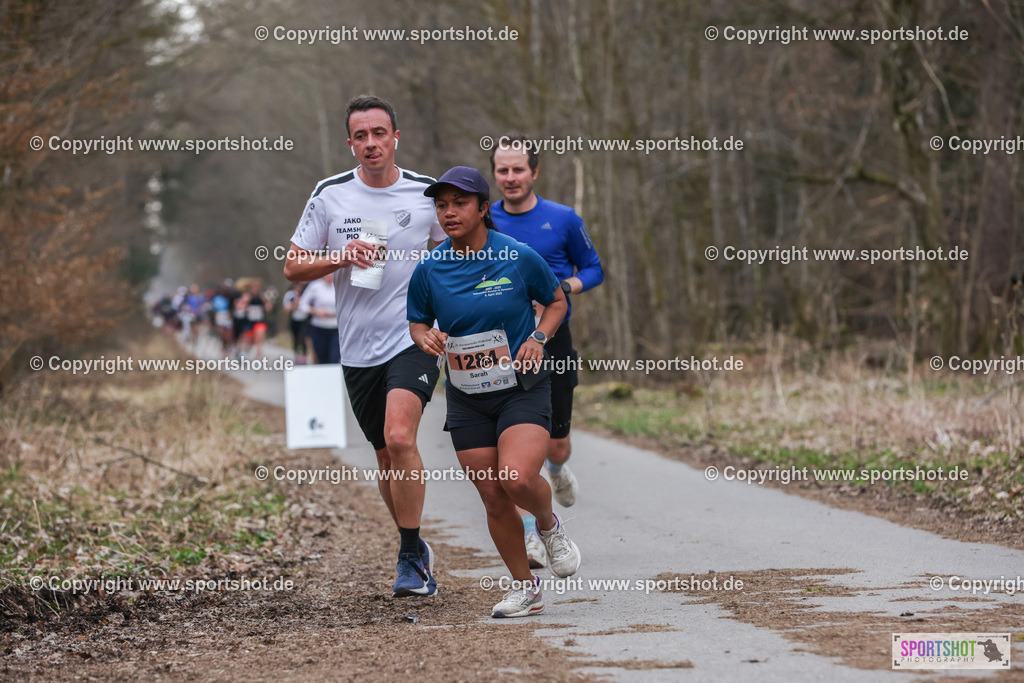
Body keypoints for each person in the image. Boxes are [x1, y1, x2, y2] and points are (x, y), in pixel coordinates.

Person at [283, 94, 446, 598]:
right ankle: (412, 544)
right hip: (356, 347)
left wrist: (455, 318)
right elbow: (292, 266)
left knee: (401, 439)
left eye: (380, 133)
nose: (371, 143)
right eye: (361, 136)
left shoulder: (426, 193)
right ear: (350, 142)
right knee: (383, 455)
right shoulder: (330, 194)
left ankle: (410, 555)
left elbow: (454, 254)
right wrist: (339, 256)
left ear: (396, 136)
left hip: (412, 337)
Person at [408, 166, 582, 618]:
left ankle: (548, 525)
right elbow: (418, 321)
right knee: (492, 495)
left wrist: (538, 338)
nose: (449, 213)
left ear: (484, 208)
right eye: (441, 205)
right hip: (466, 395)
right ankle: (526, 588)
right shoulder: (430, 268)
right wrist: (424, 337)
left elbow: (558, 300)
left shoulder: (518, 256)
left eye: (459, 203)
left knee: (518, 478)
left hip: (520, 386)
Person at [490, 134, 605, 567]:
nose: (510, 178)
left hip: (554, 340)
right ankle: (533, 536)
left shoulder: (562, 219)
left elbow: (593, 268)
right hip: (504, 345)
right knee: (515, 448)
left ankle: (557, 472)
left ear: (534, 172)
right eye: (502, 170)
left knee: (555, 447)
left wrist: (564, 287)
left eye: (518, 169)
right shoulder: (487, 221)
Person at [297, 273, 338, 364]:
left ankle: (333, 377)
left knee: (334, 357)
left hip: (335, 327)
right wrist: (315, 311)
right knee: (321, 356)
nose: (330, 276)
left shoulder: (339, 284)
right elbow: (302, 305)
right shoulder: (315, 286)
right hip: (319, 326)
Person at [282, 282, 310, 364]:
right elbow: (286, 309)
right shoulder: (290, 295)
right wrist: (294, 304)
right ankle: (296, 355)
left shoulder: (306, 293)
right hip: (294, 319)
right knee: (295, 338)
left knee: (303, 337)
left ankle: (304, 356)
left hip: (304, 319)